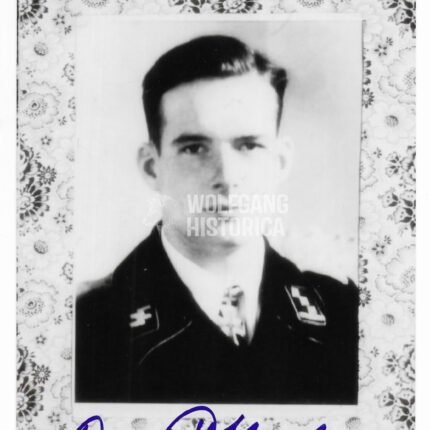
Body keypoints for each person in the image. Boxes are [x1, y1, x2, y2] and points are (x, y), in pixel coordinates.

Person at [75, 35, 358, 404]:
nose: (226, 176)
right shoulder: (86, 327)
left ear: (280, 162)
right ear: (151, 167)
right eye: (195, 148)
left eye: (249, 145)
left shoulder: (346, 315)